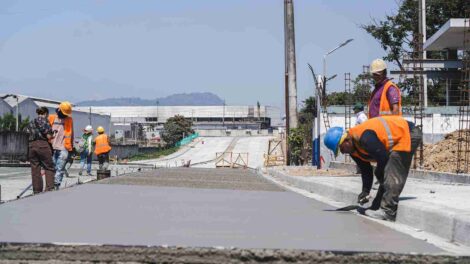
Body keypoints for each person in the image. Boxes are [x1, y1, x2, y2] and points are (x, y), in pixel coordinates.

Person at [324, 116, 422, 221]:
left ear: (347, 140)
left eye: (341, 148)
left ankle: (388, 212)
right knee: (382, 172)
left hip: (408, 133)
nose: (343, 152)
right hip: (398, 139)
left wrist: (379, 173)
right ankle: (376, 206)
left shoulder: (365, 138)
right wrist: (365, 191)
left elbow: (383, 158)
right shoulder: (353, 149)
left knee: (393, 167)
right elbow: (365, 169)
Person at [26, 107, 55, 193]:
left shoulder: (31, 122)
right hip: (42, 145)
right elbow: (49, 136)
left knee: (35, 169)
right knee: (49, 167)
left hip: (31, 146)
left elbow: (26, 133)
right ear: (46, 113)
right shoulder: (45, 121)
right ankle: (49, 189)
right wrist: (53, 134)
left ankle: (37, 191)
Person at [48, 101, 74, 190]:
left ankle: (56, 185)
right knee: (52, 168)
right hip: (52, 147)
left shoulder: (69, 120)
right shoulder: (51, 118)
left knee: (60, 168)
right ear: (59, 110)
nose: (65, 115)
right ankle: (50, 184)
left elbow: (71, 134)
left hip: (64, 148)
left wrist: (71, 147)